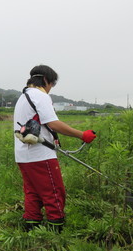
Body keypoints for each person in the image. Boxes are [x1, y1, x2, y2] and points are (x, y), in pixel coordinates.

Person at [14, 64, 96, 232]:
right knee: (54, 193)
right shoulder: (40, 96)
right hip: (40, 155)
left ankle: (32, 229)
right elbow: (53, 123)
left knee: (32, 193)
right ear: (45, 80)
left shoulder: (22, 98)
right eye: (51, 84)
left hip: (23, 155)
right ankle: (55, 233)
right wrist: (82, 135)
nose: (50, 89)